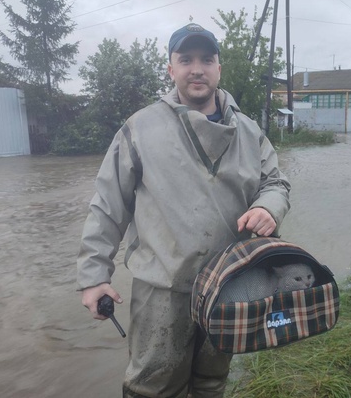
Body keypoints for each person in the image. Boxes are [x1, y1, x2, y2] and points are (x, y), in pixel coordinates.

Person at [77, 22, 291, 398]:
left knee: (212, 382)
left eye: (207, 59)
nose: (197, 68)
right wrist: (94, 276)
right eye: (186, 59)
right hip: (162, 289)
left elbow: (276, 183)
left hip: (230, 283)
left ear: (219, 69)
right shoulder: (138, 128)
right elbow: (108, 206)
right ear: (170, 69)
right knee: (153, 388)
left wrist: (269, 208)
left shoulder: (250, 130)